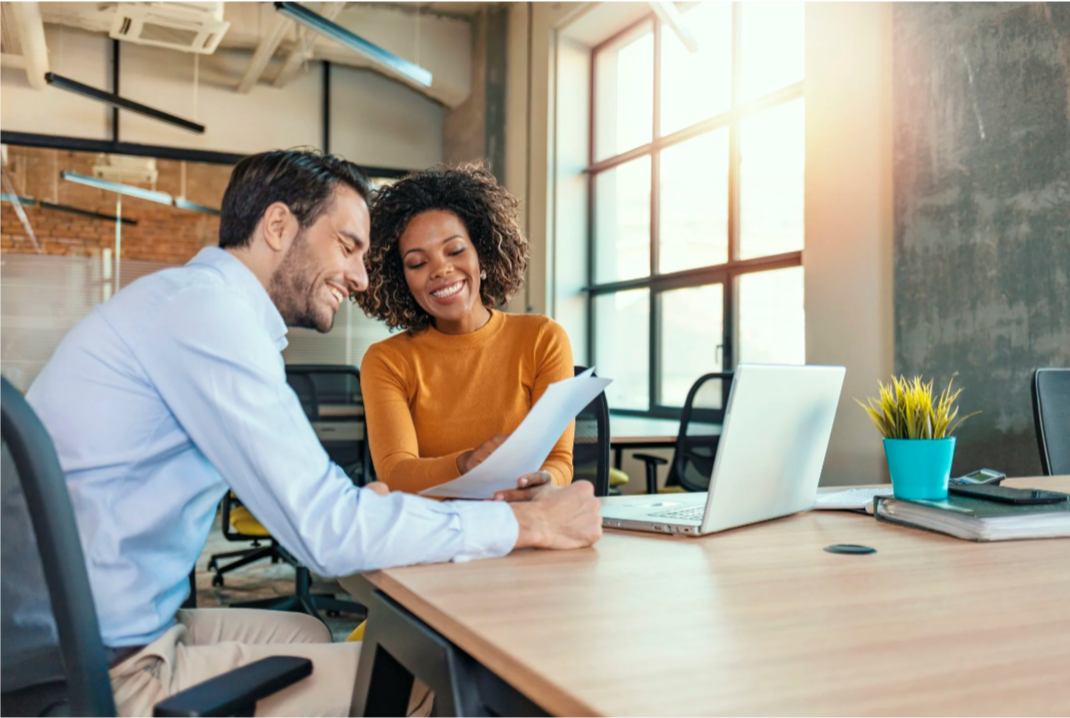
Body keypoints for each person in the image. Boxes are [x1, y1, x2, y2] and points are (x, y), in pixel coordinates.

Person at [25, 150, 602, 717]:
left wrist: (355, 506)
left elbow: (320, 504)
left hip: (97, 630)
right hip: (98, 669)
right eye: (348, 246)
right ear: (278, 226)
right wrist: (527, 522)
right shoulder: (208, 319)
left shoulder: (192, 304)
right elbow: (323, 533)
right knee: (423, 676)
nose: (358, 275)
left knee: (308, 632)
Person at [357, 166, 574, 498]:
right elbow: (396, 473)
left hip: (524, 522)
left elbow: (559, 461)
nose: (441, 270)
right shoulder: (386, 360)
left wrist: (545, 482)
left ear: (482, 255)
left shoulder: (543, 338)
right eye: (417, 263)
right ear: (402, 280)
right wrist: (465, 464)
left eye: (455, 251)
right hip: (434, 532)